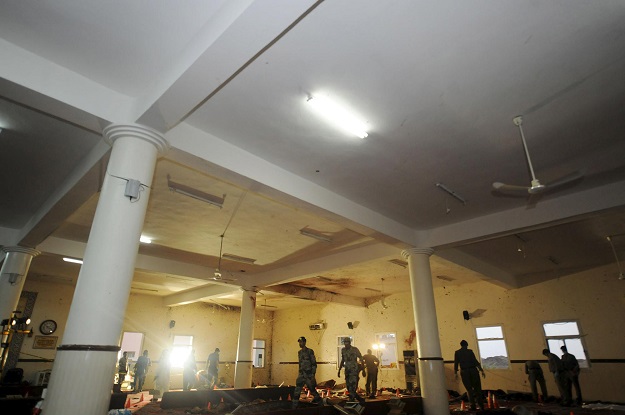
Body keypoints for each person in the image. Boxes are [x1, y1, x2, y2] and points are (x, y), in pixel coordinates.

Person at [454, 340, 486, 411]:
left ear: (461, 345)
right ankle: (481, 406)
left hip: (464, 372)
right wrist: (481, 370)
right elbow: (475, 361)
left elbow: (456, 363)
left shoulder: (457, 353)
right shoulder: (470, 352)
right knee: (477, 389)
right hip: (473, 371)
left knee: (469, 390)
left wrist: (455, 373)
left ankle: (473, 406)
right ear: (467, 345)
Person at [292, 337, 322, 408]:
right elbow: (300, 364)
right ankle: (294, 407)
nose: (300, 343)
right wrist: (299, 374)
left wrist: (312, 375)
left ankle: (321, 405)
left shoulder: (310, 351)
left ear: (305, 342)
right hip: (301, 375)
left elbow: (314, 364)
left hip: (309, 375)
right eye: (299, 342)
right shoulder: (299, 352)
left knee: (313, 391)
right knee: (297, 392)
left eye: (301, 342)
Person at [338, 338, 365, 404]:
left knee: (353, 385)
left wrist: (363, 370)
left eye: (347, 342)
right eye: (345, 342)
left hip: (354, 370)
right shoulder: (343, 350)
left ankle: (352, 399)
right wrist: (339, 370)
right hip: (347, 370)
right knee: (348, 386)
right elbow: (343, 360)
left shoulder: (355, 349)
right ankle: (359, 399)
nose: (346, 344)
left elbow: (361, 358)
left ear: (349, 343)